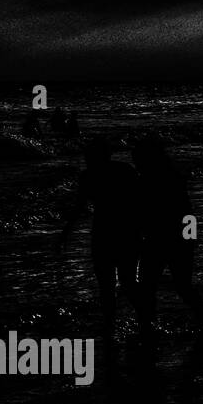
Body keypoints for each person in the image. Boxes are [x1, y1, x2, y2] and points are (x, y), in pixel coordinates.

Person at [58, 137, 144, 338]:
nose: (87, 159)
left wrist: (65, 234)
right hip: (125, 233)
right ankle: (142, 320)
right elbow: (141, 202)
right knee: (124, 282)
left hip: (107, 234)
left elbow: (79, 209)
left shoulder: (90, 176)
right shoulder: (124, 170)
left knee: (111, 284)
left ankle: (115, 325)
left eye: (89, 156)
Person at [132, 135, 203, 334]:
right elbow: (187, 211)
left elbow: (182, 211)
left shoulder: (152, 180)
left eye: (137, 158)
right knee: (179, 286)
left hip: (161, 241)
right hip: (169, 240)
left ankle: (146, 326)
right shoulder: (169, 177)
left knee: (151, 286)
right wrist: (191, 239)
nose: (135, 162)